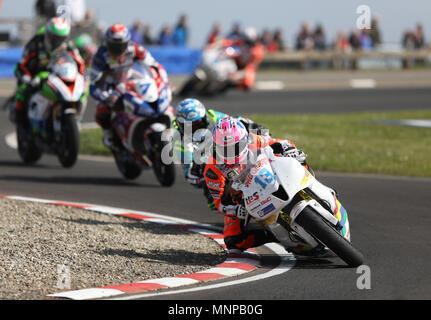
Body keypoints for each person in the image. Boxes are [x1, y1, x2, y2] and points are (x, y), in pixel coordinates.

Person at [204, 117, 335, 255]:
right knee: (233, 241)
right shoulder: (212, 169)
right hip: (243, 198)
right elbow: (220, 203)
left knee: (298, 159)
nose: (230, 153)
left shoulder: (253, 139)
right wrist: (236, 210)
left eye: (234, 147)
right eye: (224, 149)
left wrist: (290, 150)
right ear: (215, 146)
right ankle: (274, 234)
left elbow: (282, 142)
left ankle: (314, 185)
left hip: (268, 172)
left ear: (244, 140)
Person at [173, 99, 269, 210]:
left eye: (198, 123)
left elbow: (233, 122)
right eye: (189, 126)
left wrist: (254, 126)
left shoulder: (212, 115)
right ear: (180, 125)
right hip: (213, 165)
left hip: (230, 151)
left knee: (257, 142)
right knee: (208, 175)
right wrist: (201, 173)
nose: (196, 128)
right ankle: (226, 204)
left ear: (204, 117)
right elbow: (188, 174)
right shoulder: (180, 141)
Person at [89, 23, 168, 148]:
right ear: (107, 43)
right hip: (111, 83)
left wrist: (162, 79)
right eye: (114, 46)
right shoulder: (101, 55)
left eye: (121, 46)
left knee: (154, 97)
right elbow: (93, 80)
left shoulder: (135, 48)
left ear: (127, 42)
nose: (118, 49)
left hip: (130, 78)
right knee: (102, 110)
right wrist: (104, 96)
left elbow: (153, 64)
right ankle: (109, 135)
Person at [13, 16, 85, 126]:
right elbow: (22, 66)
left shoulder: (68, 46)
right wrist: (28, 80)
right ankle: (21, 124)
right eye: (54, 38)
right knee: (22, 92)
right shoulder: (34, 44)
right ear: (48, 34)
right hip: (35, 76)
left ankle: (76, 119)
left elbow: (80, 63)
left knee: (81, 88)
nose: (57, 42)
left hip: (56, 77)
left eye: (60, 38)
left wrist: (82, 75)